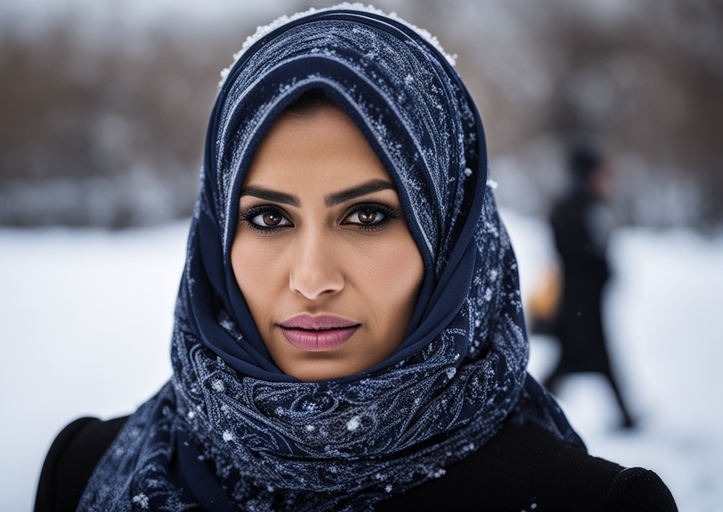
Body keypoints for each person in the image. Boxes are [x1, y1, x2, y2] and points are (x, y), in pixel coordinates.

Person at [35, 6, 674, 511]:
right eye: (268, 218)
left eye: (367, 216)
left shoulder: (589, 502)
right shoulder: (84, 468)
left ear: (450, 242)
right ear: (216, 241)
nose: (312, 279)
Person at [544, 143, 636, 429]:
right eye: (598, 174)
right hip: (578, 306)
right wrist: (601, 269)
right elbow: (577, 255)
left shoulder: (588, 208)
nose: (604, 180)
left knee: (574, 363)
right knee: (583, 361)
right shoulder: (572, 210)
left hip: (586, 305)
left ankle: (538, 409)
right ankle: (535, 409)